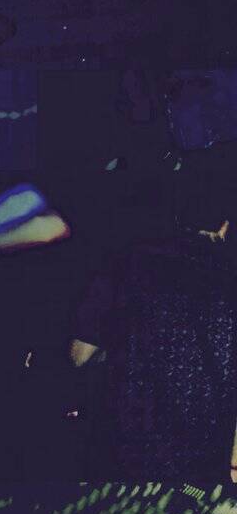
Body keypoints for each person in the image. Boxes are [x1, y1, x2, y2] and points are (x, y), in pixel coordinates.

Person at [70, 189, 237, 481]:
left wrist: (131, 349)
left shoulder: (126, 264)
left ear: (177, 219)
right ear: (225, 227)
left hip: (121, 456)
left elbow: (79, 357)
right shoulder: (229, 280)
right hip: (201, 466)